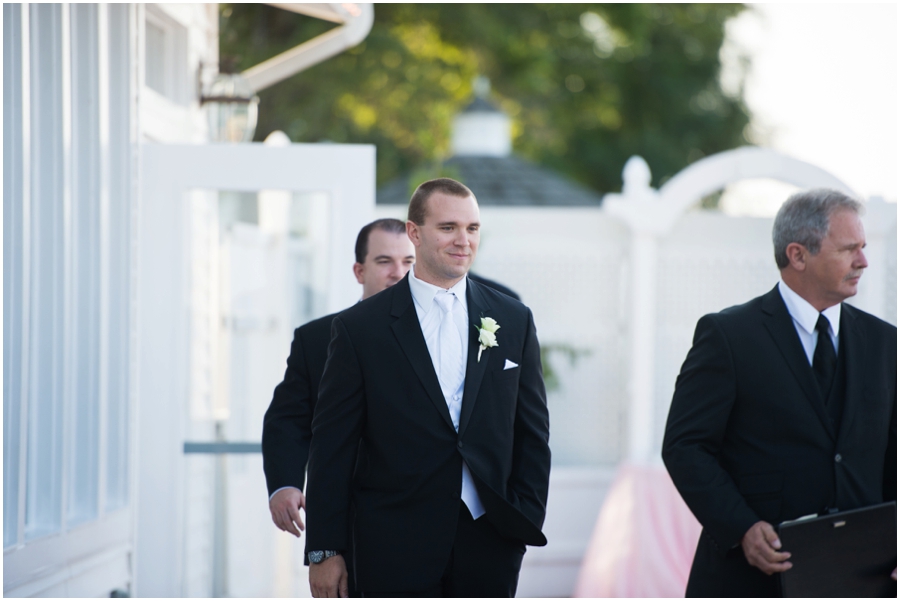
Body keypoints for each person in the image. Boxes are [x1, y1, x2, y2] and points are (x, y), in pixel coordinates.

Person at [305, 178, 551, 597]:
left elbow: (532, 431)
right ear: (415, 233)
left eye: (472, 228)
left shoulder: (513, 319)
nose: (463, 241)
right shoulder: (359, 329)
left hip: (490, 541)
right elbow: (333, 445)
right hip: (390, 542)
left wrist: (522, 518)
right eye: (448, 228)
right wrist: (324, 550)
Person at [662, 188, 897, 597]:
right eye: (848, 250)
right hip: (751, 580)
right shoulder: (728, 336)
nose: (863, 261)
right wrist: (741, 528)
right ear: (798, 255)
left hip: (862, 580)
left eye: (862, 247)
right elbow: (685, 446)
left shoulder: (886, 343)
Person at [262, 218, 415, 540]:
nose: (398, 273)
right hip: (351, 520)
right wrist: (285, 484)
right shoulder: (317, 338)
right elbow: (287, 418)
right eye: (384, 261)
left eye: (409, 262)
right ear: (359, 272)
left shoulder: (445, 335)